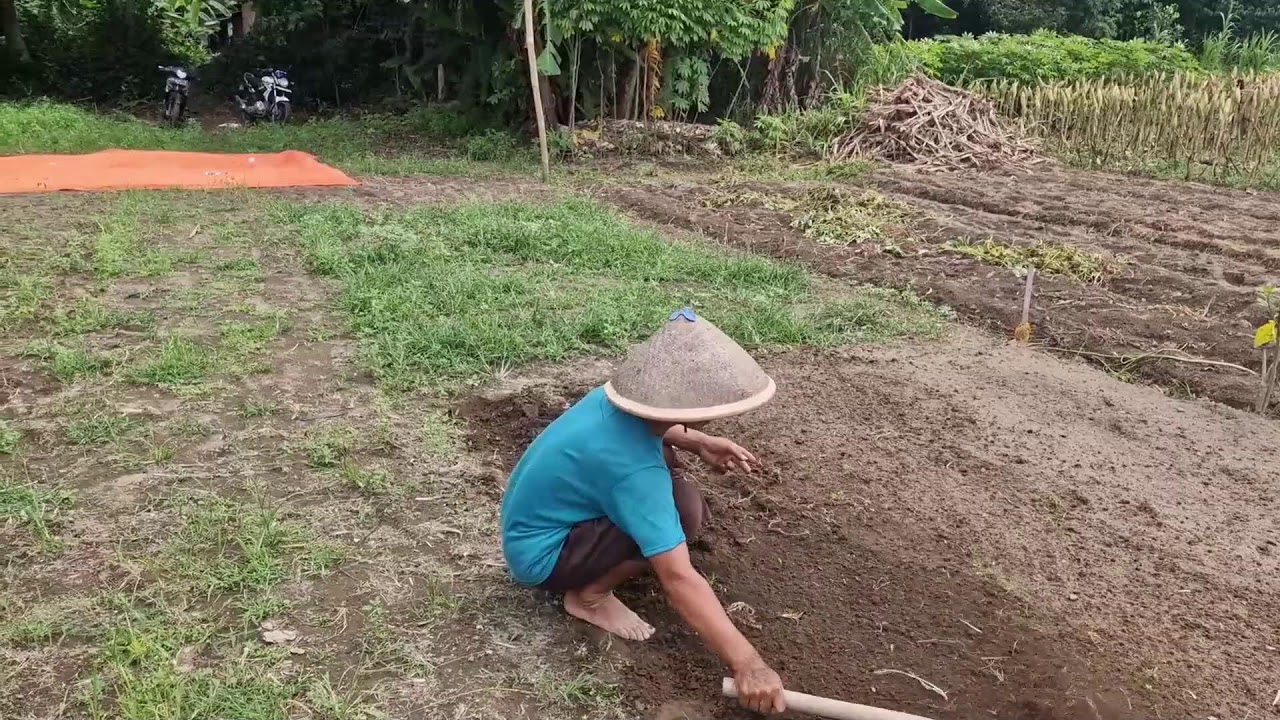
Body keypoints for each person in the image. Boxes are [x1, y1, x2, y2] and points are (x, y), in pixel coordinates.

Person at [500, 308, 787, 715]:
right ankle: (589, 596)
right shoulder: (634, 472)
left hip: (536, 523)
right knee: (681, 513)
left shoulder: (612, 401)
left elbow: (650, 421)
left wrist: (700, 442)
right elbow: (679, 577)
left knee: (678, 501)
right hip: (544, 557)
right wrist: (749, 664)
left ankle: (597, 572)